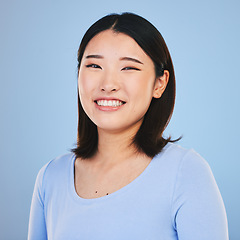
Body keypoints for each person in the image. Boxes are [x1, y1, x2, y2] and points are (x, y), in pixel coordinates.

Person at [28, 13, 229, 240]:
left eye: (129, 68)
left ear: (159, 83)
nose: (108, 84)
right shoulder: (50, 178)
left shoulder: (186, 173)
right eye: (94, 65)